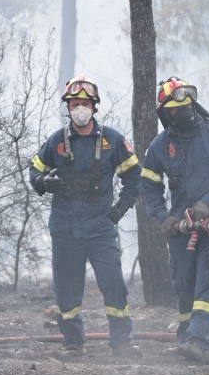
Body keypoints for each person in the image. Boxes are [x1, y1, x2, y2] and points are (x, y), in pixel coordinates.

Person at [30, 75, 142, 358]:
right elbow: (34, 172)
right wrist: (44, 182)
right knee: (67, 290)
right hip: (65, 228)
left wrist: (119, 210)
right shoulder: (56, 141)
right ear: (68, 108)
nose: (80, 108)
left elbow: (134, 176)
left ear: (94, 107)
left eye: (85, 103)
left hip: (100, 227)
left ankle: (121, 342)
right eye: (75, 103)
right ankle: (73, 343)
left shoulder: (112, 140)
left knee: (113, 284)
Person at [140, 76, 209, 362]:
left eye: (185, 106)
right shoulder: (160, 146)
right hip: (182, 227)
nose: (182, 112)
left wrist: (206, 203)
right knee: (184, 281)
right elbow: (148, 186)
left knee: (208, 280)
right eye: (174, 109)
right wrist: (164, 217)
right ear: (166, 114)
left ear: (193, 104)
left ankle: (198, 341)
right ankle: (186, 334)